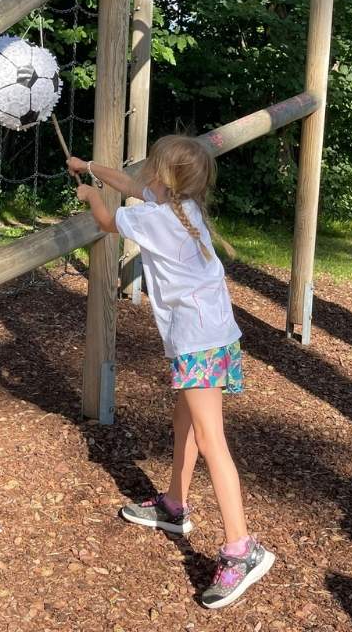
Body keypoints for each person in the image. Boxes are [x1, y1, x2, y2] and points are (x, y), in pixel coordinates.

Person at [67, 135, 275, 609]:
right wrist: (91, 165)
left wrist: (90, 194)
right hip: (211, 336)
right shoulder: (181, 207)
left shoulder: (159, 219)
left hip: (198, 343)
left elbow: (105, 220)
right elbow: (129, 184)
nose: (144, 175)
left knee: (211, 439)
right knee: (185, 422)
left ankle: (242, 549)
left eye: (151, 167)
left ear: (162, 176)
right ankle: (173, 506)